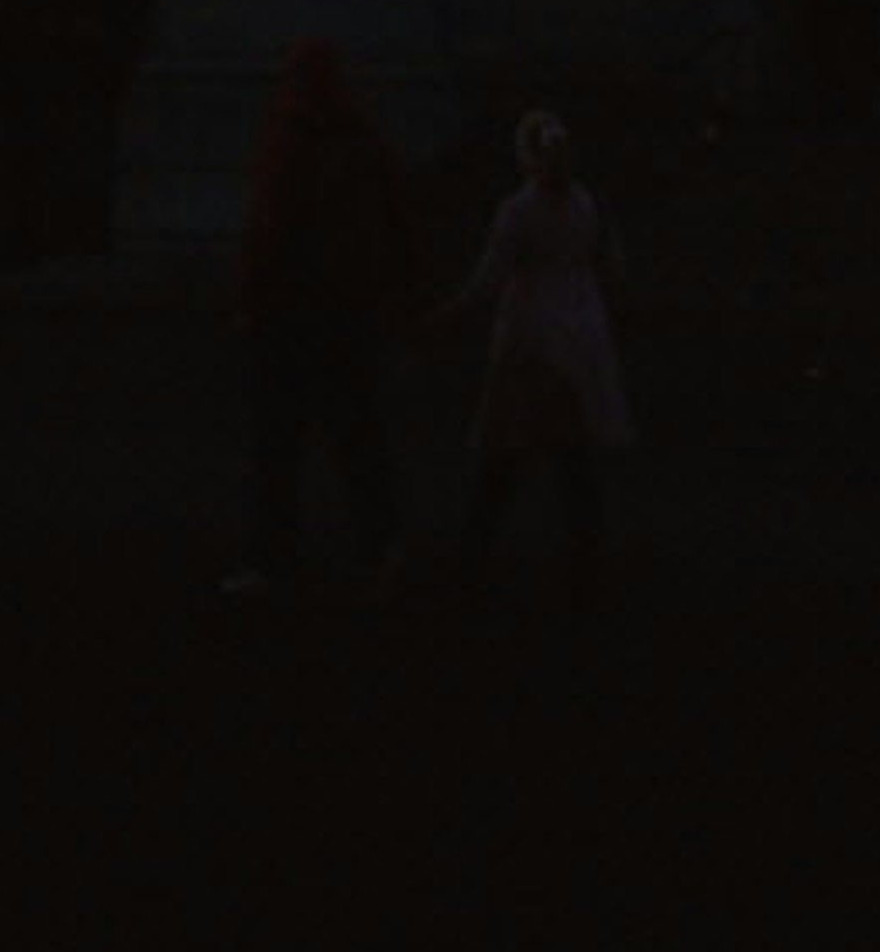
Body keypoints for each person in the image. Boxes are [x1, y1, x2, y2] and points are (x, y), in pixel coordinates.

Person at [227, 39, 416, 592]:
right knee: (359, 435)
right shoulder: (364, 140)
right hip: (351, 309)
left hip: (291, 311)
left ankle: (274, 557)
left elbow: (268, 226)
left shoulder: (289, 139)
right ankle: (381, 546)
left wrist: (248, 297)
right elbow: (397, 219)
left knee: (277, 443)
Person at [447, 110, 628, 609]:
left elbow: (489, 278)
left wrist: (449, 313)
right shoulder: (588, 205)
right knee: (573, 457)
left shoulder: (517, 211)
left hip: (529, 339)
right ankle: (587, 560)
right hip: (580, 339)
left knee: (503, 454)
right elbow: (612, 268)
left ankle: (473, 556)